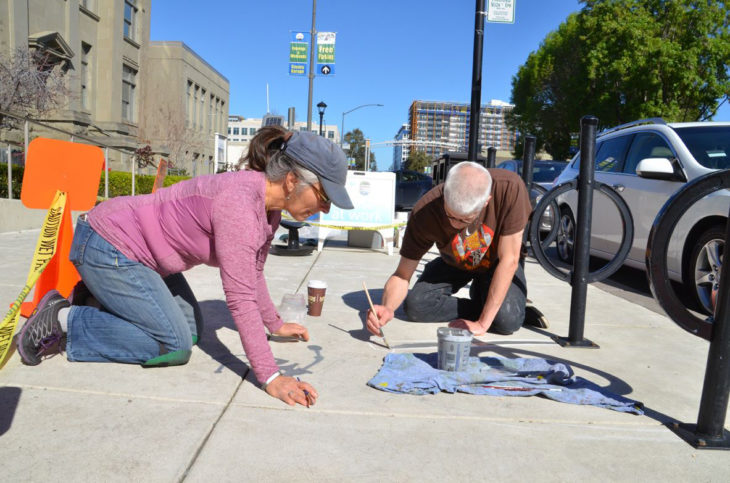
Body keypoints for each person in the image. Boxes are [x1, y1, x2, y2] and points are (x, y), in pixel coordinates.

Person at [15, 126, 353, 407]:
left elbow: (254, 275)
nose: (324, 209)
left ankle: (95, 298)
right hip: (107, 244)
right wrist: (270, 376)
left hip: (142, 258)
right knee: (173, 344)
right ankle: (61, 319)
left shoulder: (269, 211)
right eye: (324, 197)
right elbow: (239, 296)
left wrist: (275, 324)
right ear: (293, 181)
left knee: (192, 329)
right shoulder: (239, 203)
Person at [366, 161, 532, 337]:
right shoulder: (424, 211)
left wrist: (483, 324)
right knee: (416, 306)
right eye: (450, 215)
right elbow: (402, 274)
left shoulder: (509, 187)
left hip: (496, 261)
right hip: (455, 261)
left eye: (464, 220)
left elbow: (509, 260)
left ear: (486, 202)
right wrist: (387, 307)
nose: (455, 224)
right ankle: (491, 304)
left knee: (507, 322)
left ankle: (504, 309)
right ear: (444, 193)